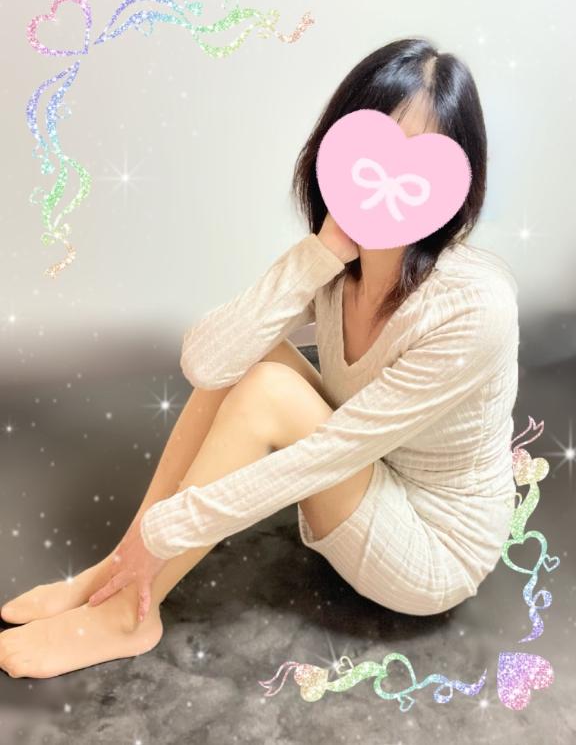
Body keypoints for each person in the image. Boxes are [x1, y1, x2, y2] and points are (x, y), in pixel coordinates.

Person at [0, 37, 518, 679]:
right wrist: (317, 257)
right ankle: (117, 574)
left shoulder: (472, 307)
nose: (389, 184)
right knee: (253, 354)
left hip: (429, 548)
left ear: (457, 184)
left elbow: (333, 452)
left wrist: (166, 530)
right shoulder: (337, 259)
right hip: (368, 478)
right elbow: (207, 362)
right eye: (372, 153)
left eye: (420, 168)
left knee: (271, 390)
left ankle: (129, 609)